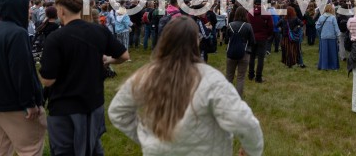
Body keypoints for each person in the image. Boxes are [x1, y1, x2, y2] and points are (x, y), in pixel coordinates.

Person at [108, 16, 264, 156]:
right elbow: (245, 122)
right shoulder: (212, 81)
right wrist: (252, 150)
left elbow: (118, 112)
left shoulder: (147, 76)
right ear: (197, 42)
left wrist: (147, 138)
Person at [39, 0, 129, 155]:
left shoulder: (55, 38)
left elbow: (47, 81)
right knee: (93, 146)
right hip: (94, 103)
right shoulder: (99, 31)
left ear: (62, 11)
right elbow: (124, 56)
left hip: (64, 108)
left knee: (65, 151)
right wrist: (108, 60)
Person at [0, 0, 47, 155]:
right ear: (17, 9)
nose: (31, 11)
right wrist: (29, 103)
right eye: (27, 8)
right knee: (30, 149)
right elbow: (22, 72)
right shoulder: (17, 34)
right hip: (16, 105)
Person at [226, 6, 255, 97]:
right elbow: (252, 41)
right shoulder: (248, 26)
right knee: (241, 77)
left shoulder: (230, 25)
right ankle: (238, 97)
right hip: (244, 53)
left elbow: (227, 39)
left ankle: (227, 96)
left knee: (229, 76)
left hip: (231, 52)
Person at [247, 0, 273, 83]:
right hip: (262, 38)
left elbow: (247, 25)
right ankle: (258, 77)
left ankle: (251, 75)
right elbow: (270, 27)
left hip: (252, 37)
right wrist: (267, 35)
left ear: (255, 4)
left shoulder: (249, 13)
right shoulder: (267, 14)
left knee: (252, 57)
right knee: (261, 58)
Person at [316, 4, 341, 70]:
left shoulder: (321, 17)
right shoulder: (333, 17)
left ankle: (324, 66)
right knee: (333, 52)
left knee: (324, 52)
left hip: (324, 36)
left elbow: (317, 27)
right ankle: (333, 66)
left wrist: (322, 31)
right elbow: (336, 28)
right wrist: (338, 36)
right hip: (332, 36)